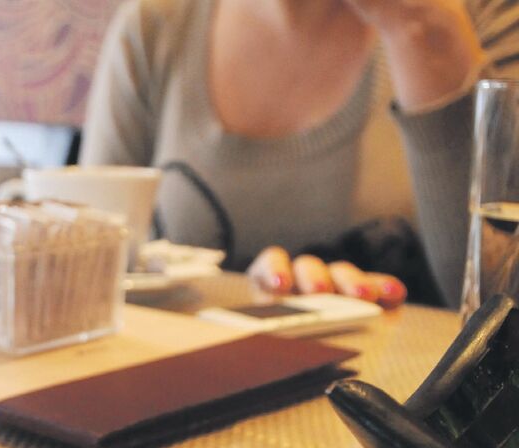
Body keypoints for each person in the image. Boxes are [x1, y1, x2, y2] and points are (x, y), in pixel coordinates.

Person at [80, 0, 519, 308]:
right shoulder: (154, 26)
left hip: (413, 407)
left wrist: (419, 27)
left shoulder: (488, 17)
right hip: (184, 400)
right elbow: (87, 278)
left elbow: (501, 313)